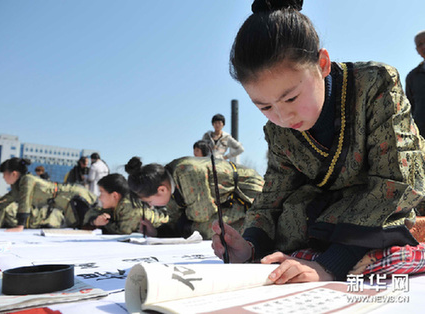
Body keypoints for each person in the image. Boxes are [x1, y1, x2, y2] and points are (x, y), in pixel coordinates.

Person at [211, 0, 425, 284]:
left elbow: (399, 183)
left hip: (390, 209)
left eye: (291, 98)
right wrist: (250, 245)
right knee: (295, 213)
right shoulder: (278, 131)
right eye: (264, 107)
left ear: (322, 64)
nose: (283, 116)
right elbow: (273, 195)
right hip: (332, 215)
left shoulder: (375, 85)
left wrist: (330, 265)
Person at [125, 156, 264, 239]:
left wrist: (182, 225)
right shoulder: (169, 184)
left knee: (207, 229)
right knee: (189, 227)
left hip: (248, 196)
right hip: (228, 202)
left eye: (149, 201)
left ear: (161, 189)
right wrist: (157, 231)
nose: (151, 205)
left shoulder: (186, 172)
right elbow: (175, 218)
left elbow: (202, 213)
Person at [0, 158, 97, 232]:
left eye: (4, 175)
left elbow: (24, 202)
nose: (3, 178)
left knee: (87, 226)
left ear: (14, 173)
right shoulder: (18, 186)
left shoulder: (27, 180)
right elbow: (6, 200)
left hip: (73, 196)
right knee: (81, 228)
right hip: (64, 202)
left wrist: (20, 226)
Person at [83, 173, 168, 234]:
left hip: (165, 227)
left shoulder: (129, 206)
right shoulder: (114, 205)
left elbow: (123, 232)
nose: (99, 197)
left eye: (101, 192)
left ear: (114, 195)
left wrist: (107, 223)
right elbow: (91, 213)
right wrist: (95, 221)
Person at [406, 30, 425, 137]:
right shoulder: (412, 77)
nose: (424, 47)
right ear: (417, 50)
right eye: (420, 44)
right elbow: (410, 108)